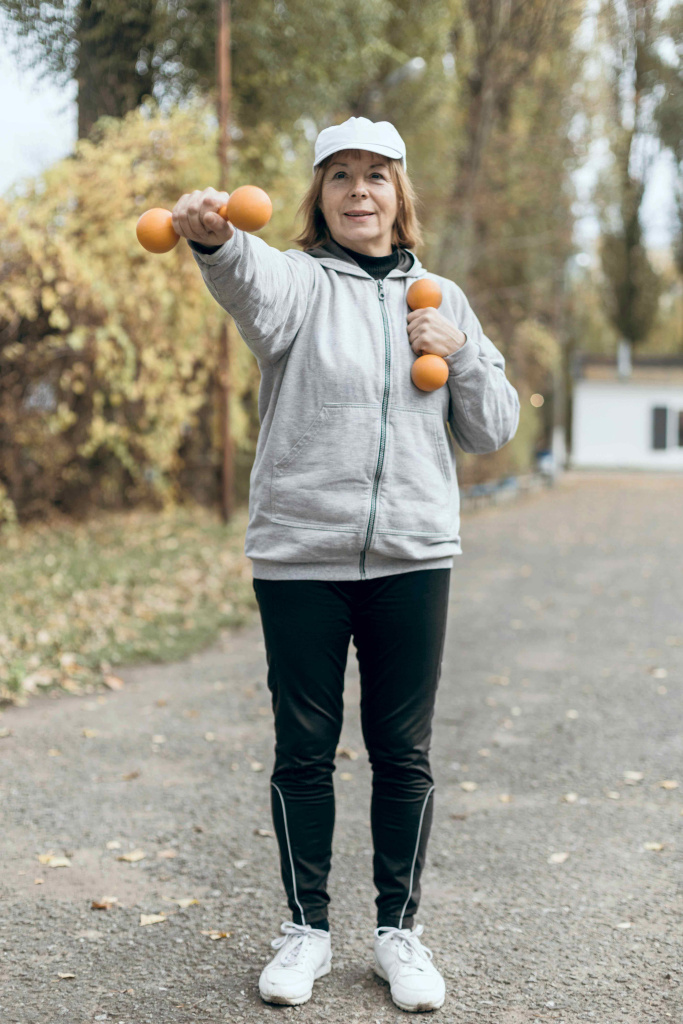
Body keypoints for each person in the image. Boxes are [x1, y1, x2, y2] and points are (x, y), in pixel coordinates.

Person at [172, 116, 520, 1013]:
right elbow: (249, 278)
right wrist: (215, 237)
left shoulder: (438, 296)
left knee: (402, 754)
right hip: (300, 556)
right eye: (339, 177)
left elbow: (491, 430)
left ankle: (398, 934)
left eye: (375, 175)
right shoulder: (297, 283)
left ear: (400, 195)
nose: (358, 191)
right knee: (303, 753)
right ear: (319, 198)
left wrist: (460, 351)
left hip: (413, 555)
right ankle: (306, 932)